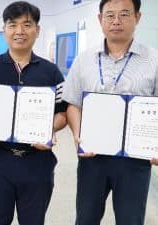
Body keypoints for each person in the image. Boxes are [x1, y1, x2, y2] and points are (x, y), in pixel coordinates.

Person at [0, 2, 68, 225]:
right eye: (12, 25)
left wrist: (48, 129)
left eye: (27, 24)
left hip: (37, 162)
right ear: (4, 30)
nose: (19, 31)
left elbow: (62, 113)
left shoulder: (51, 72)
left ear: (37, 30)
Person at [62, 0, 158, 224]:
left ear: (137, 17)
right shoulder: (83, 59)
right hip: (93, 156)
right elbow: (73, 104)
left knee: (130, 219)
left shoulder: (154, 60)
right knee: (86, 218)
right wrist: (77, 136)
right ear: (99, 19)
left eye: (124, 14)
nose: (116, 21)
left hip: (135, 159)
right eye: (110, 15)